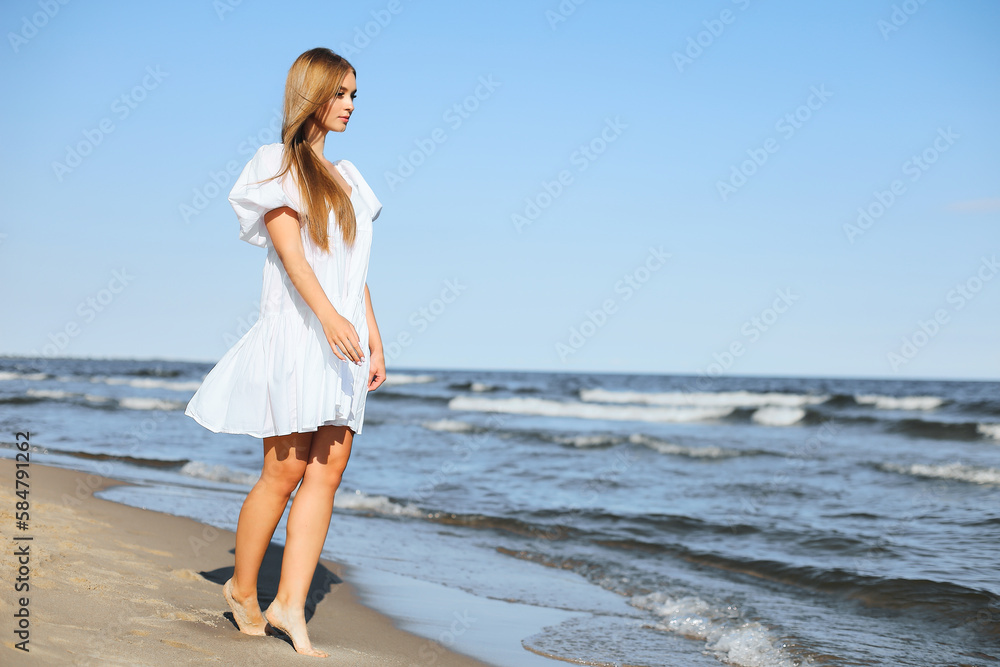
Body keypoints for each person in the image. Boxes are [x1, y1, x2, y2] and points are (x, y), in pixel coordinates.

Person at [183, 47, 386, 657]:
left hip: (343, 340)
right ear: (312, 95)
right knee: (285, 469)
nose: (350, 105)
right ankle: (243, 590)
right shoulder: (276, 165)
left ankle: (290, 606)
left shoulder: (349, 178)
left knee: (329, 472)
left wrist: (373, 333)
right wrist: (328, 317)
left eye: (355, 95)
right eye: (341, 93)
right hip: (300, 335)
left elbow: (354, 267)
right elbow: (293, 256)